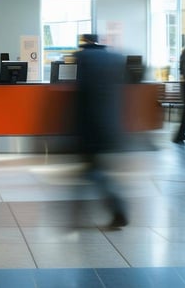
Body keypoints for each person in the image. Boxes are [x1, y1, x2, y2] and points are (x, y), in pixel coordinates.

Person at [74, 34, 128, 228]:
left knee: (92, 172)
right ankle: (114, 208)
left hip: (91, 128)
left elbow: (81, 100)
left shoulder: (84, 60)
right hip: (110, 127)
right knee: (93, 171)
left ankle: (116, 208)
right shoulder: (113, 59)